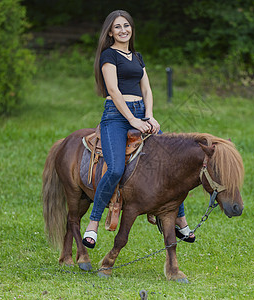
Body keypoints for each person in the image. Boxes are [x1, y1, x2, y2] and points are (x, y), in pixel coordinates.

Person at [83, 10, 195, 249]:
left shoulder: (137, 57)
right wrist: (133, 119)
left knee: (171, 163)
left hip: (140, 113)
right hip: (116, 116)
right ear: (110, 32)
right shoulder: (108, 56)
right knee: (114, 170)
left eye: (126, 25)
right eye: (117, 27)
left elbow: (148, 90)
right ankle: (93, 223)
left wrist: (149, 116)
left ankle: (180, 221)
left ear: (131, 29)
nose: (123, 30)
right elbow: (113, 90)